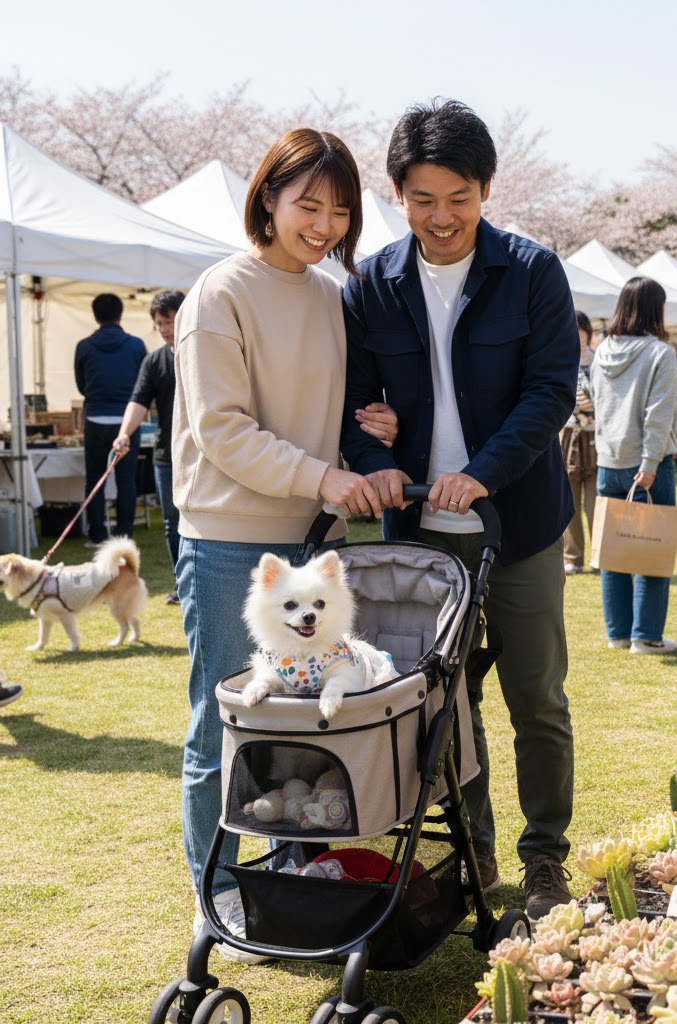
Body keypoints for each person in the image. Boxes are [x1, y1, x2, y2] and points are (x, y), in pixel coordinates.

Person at [340, 99, 577, 920]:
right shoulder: (370, 284)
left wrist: (480, 474)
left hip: (520, 526)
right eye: (422, 199)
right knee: (444, 705)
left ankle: (545, 858)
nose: (441, 218)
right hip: (417, 535)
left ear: (486, 191)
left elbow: (550, 393)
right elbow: (351, 405)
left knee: (537, 699)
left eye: (459, 198)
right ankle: (473, 852)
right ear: (397, 195)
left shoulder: (533, 271)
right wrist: (375, 460)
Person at [172, 128, 398, 962]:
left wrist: (373, 429)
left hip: (315, 542)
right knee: (227, 727)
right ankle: (220, 895)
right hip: (231, 542)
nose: (325, 225)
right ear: (267, 198)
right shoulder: (219, 293)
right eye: (309, 204)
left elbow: (336, 412)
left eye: (340, 211)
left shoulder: (336, 297)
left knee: (305, 725)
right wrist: (325, 477)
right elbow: (223, 430)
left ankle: (294, 878)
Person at [590, 276, 677, 655]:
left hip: (608, 462)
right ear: (655, 309)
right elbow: (658, 414)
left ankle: (618, 634)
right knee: (652, 549)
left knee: (613, 552)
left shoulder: (602, 351)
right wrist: (650, 463)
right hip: (647, 465)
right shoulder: (660, 353)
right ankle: (646, 636)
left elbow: (596, 401)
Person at [113, 290, 186, 603]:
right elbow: (138, 401)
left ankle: (199, 582)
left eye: (170, 321)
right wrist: (123, 434)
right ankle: (182, 583)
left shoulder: (204, 352)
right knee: (172, 522)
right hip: (166, 455)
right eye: (160, 323)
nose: (165, 329)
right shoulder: (154, 361)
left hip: (205, 454)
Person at [74, 293, 147, 544]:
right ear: (121, 314)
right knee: (126, 481)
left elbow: (81, 385)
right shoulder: (136, 345)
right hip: (128, 421)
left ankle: (98, 535)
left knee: (95, 480)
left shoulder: (84, 346)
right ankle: (124, 536)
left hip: (95, 419)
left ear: (95, 316)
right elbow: (143, 386)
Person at [561, 311, 598, 574]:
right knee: (569, 502)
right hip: (567, 434)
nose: (576, 336)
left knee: (596, 502)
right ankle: (572, 557)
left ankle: (600, 555)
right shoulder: (561, 360)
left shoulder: (600, 362)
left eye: (580, 330)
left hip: (596, 436)